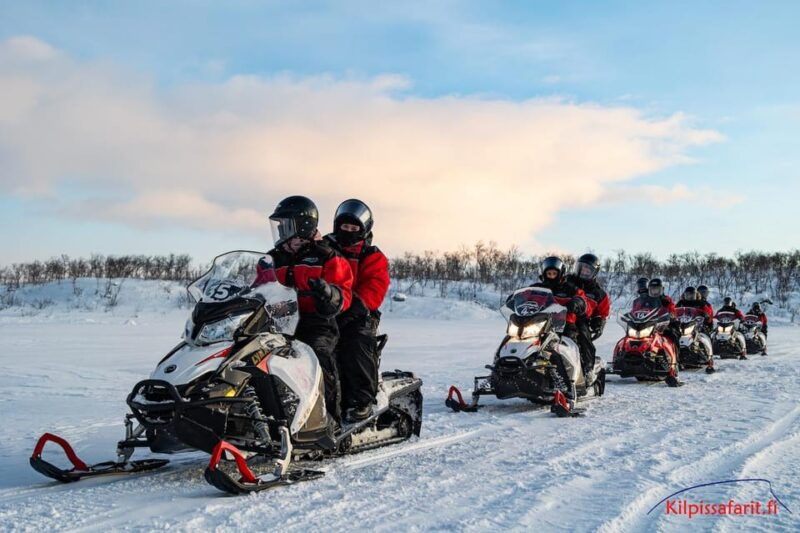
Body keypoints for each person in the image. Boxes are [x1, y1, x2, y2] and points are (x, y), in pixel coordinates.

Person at [261, 195, 354, 424]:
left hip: (316, 322)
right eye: (280, 225)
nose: (281, 231)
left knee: (317, 357)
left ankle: (329, 420)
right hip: (278, 324)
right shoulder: (271, 259)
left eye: (286, 225)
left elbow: (344, 293)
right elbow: (259, 288)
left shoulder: (327, 256)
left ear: (303, 226)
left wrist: (328, 294)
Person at [324, 199, 390, 423]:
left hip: (358, 313)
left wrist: (354, 306)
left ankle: (360, 400)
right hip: (322, 310)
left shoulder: (371, 255)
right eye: (345, 226)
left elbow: (375, 287)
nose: (349, 231)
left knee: (355, 340)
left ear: (364, 230)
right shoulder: (323, 248)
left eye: (354, 228)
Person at [531, 256, 595, 381]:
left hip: (564, 324)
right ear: (544, 274)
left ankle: (584, 371)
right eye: (549, 273)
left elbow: (583, 300)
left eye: (554, 273)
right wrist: (514, 298)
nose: (551, 276)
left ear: (560, 273)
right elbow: (524, 296)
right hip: (539, 323)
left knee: (576, 339)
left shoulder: (570, 288)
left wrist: (578, 302)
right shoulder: (537, 288)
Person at [567, 253, 610, 340]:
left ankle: (586, 349)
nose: (584, 272)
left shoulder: (599, 294)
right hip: (560, 316)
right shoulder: (566, 282)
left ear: (594, 273)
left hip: (581, 322)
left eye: (587, 271)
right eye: (582, 269)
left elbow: (603, 313)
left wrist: (598, 320)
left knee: (584, 339)